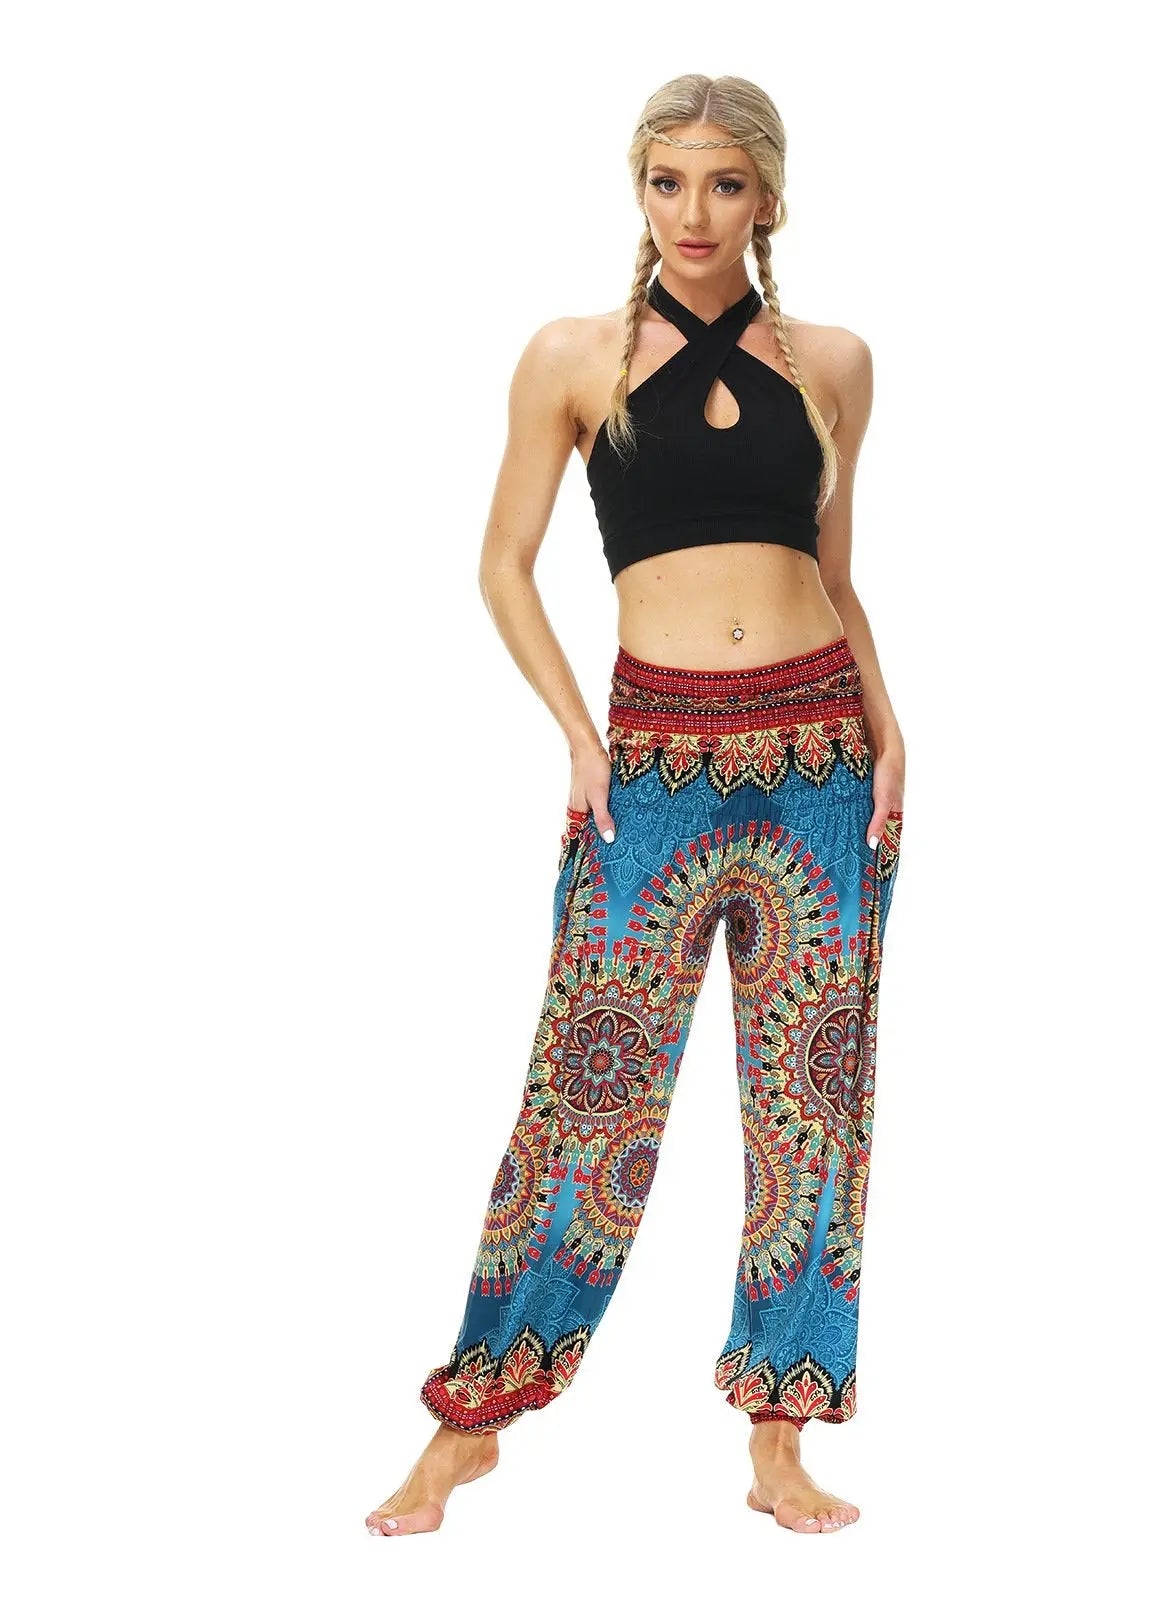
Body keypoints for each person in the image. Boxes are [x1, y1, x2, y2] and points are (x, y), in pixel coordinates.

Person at [365, 73, 905, 1538]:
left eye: (724, 184)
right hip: (653, 760)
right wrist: (576, 734)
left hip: (820, 754)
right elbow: (501, 564)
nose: (693, 213)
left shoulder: (835, 362)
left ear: (768, 195)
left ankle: (780, 1433)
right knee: (586, 1093)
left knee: (812, 1104)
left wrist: (889, 727)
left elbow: (835, 574)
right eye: (668, 181)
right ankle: (472, 1418)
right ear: (638, 187)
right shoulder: (572, 356)